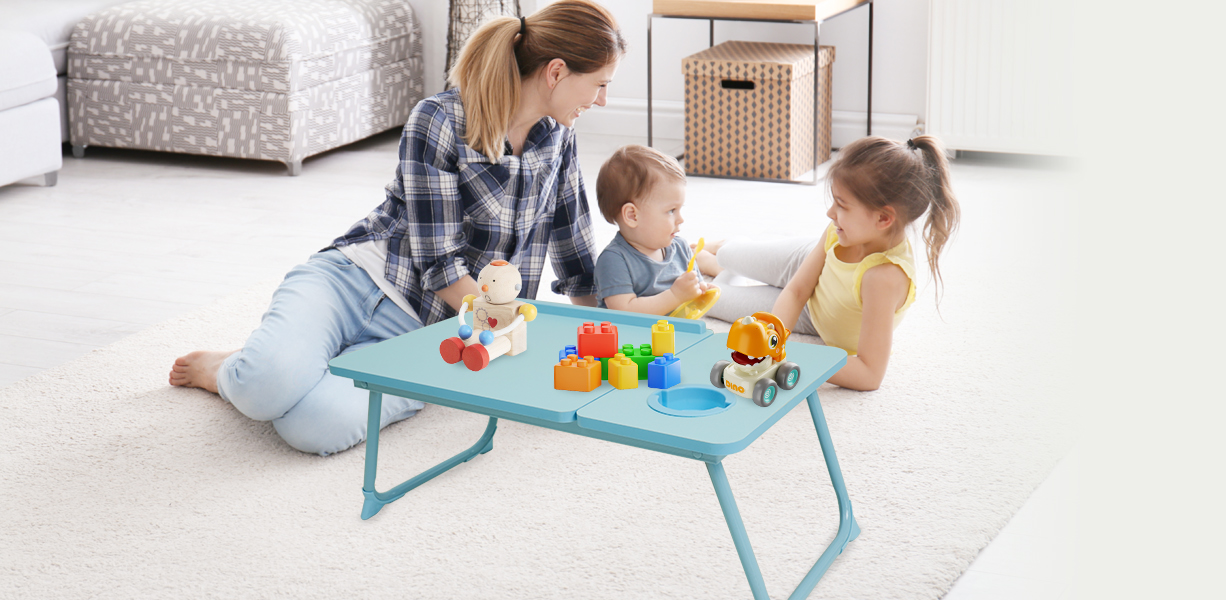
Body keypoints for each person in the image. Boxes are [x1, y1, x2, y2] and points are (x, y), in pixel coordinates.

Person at [169, 0, 626, 455]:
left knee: (314, 430)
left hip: (431, 330)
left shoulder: (560, 140)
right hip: (356, 279)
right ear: (556, 71)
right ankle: (226, 369)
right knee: (261, 388)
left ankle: (305, 363)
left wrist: (603, 345)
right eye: (599, 85)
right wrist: (505, 323)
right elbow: (439, 264)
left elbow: (575, 254)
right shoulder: (440, 119)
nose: (602, 100)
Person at [696, 135, 960, 391]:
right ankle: (714, 255)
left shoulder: (884, 278)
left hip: (814, 317)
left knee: (709, 298)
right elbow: (797, 290)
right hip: (804, 262)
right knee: (732, 254)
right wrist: (773, 339)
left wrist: (788, 359)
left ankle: (717, 268)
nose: (830, 213)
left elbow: (869, 374)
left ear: (883, 219)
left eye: (841, 205)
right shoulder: (840, 229)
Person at [592, 145, 716, 314]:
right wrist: (675, 295)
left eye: (680, 209)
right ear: (632, 216)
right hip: (632, 340)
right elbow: (624, 311)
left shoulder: (680, 248)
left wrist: (700, 289)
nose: (681, 219)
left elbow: (691, 294)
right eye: (671, 211)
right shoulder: (614, 260)